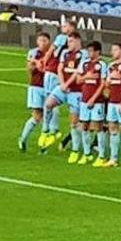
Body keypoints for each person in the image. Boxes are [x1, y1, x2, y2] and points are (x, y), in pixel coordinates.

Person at [43, 32, 88, 163]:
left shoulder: (83, 54)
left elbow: (78, 72)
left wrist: (67, 84)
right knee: (48, 104)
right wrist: (62, 84)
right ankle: (47, 130)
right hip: (63, 87)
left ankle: (75, 150)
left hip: (76, 91)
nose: (69, 44)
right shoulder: (65, 53)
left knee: (74, 122)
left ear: (78, 41)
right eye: (68, 42)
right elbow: (60, 68)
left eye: (72, 41)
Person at [38, 21, 74, 151]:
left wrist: (43, 62)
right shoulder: (70, 41)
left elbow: (51, 50)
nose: (62, 28)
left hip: (53, 72)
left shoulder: (62, 38)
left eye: (65, 26)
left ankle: (51, 129)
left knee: (50, 100)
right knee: (52, 101)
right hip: (58, 73)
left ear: (71, 27)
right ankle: (51, 130)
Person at [76, 40, 109, 166]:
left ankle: (101, 156)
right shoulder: (84, 63)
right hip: (84, 99)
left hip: (97, 101)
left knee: (98, 126)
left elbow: (102, 84)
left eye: (91, 51)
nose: (89, 53)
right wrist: (88, 77)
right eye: (88, 51)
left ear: (97, 52)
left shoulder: (102, 65)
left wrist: (93, 99)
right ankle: (87, 154)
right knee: (84, 126)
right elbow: (78, 80)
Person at [18, 32, 52, 152]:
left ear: (49, 42)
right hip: (36, 87)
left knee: (49, 118)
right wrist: (34, 65)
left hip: (49, 88)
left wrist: (39, 64)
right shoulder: (33, 52)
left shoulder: (52, 53)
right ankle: (23, 139)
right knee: (37, 115)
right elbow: (29, 69)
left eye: (45, 40)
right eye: (40, 40)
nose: (42, 43)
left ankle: (44, 146)